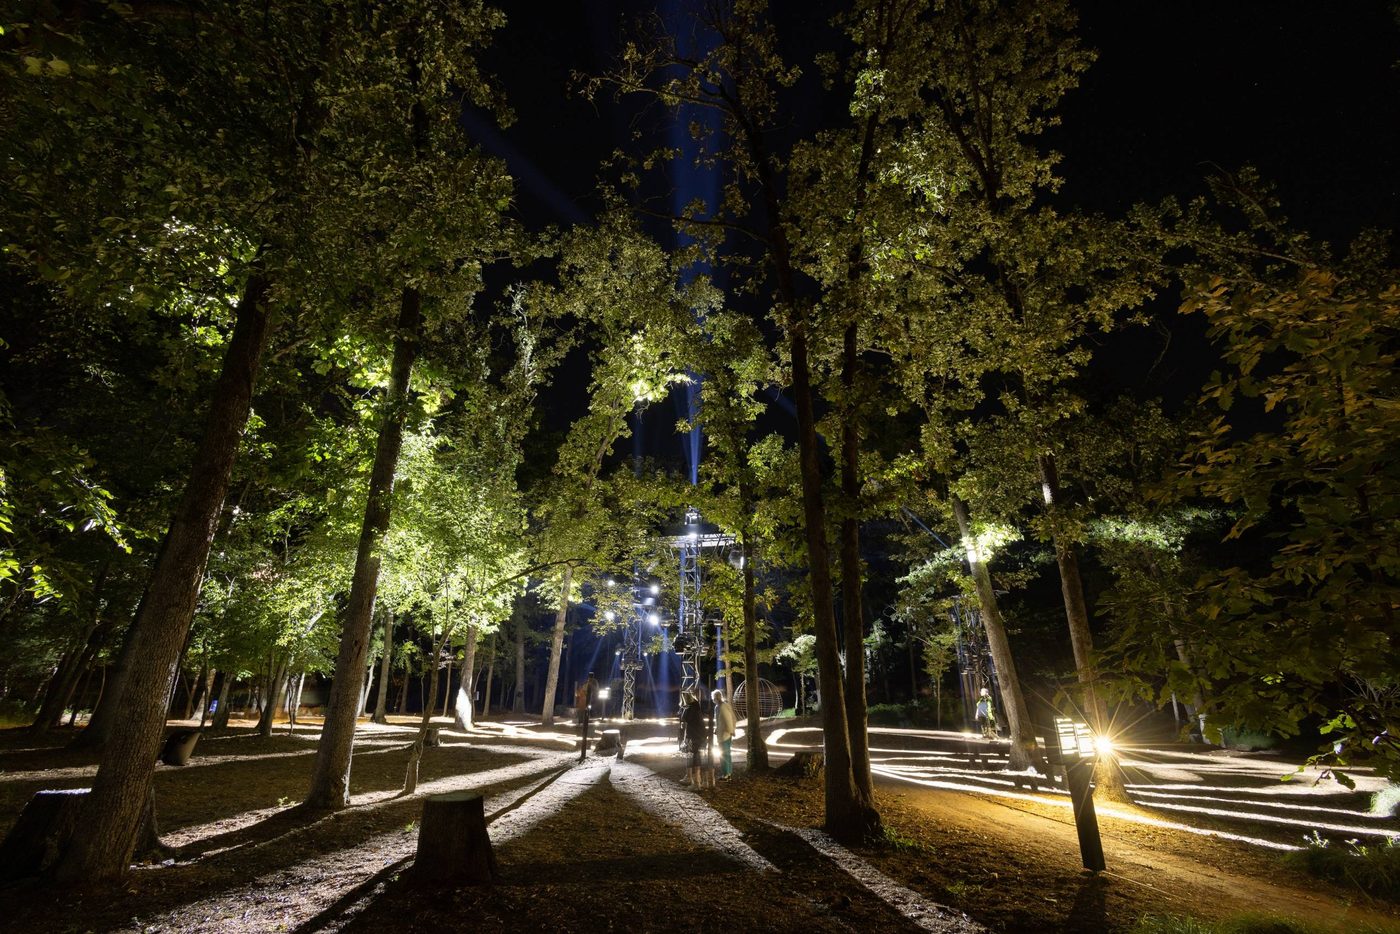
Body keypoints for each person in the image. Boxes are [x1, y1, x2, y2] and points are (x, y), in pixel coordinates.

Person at [679, 691, 706, 787]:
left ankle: (690, 778)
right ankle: (697, 779)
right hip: (700, 736)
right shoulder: (697, 707)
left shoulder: (689, 708)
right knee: (697, 756)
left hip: (692, 736)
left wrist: (683, 708)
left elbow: (684, 718)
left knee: (690, 756)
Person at [712, 688, 736, 779]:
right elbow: (732, 718)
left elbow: (727, 719)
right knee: (726, 754)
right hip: (725, 733)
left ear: (716, 698)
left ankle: (726, 774)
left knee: (723, 754)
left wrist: (731, 730)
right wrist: (732, 730)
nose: (713, 700)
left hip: (724, 734)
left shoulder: (721, 707)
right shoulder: (723, 706)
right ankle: (728, 773)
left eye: (714, 698)